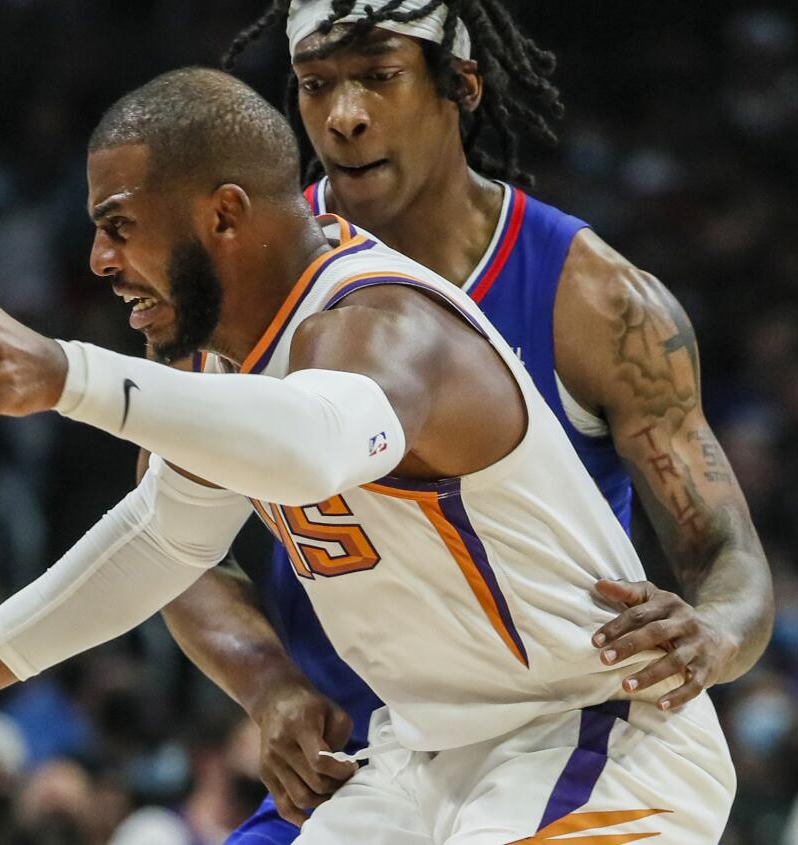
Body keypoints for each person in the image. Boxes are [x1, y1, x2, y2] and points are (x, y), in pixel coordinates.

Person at [0, 68, 741, 843]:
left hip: (593, 737)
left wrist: (69, 375)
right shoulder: (237, 359)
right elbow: (158, 544)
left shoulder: (378, 326)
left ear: (223, 215)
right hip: (420, 755)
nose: (95, 259)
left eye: (118, 224)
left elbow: (310, 444)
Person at [149, 0, 774, 835]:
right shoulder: (239, 275)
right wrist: (268, 684)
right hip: (362, 753)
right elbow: (168, 542)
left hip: (555, 724)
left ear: (461, 85)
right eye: (315, 85)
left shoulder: (592, 300)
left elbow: (726, 551)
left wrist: (714, 634)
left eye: (379, 76)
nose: (345, 115)